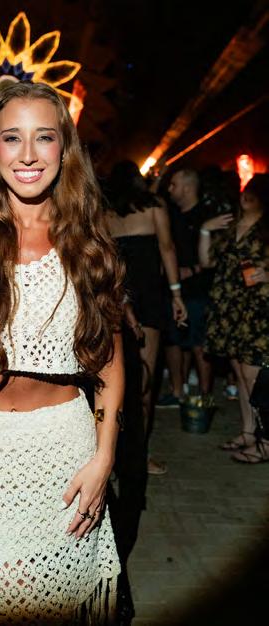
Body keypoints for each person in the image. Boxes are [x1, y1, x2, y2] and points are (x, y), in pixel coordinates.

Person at [0, 81, 124, 624]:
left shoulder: (85, 237)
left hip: (65, 450)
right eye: (12, 138)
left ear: (64, 148)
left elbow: (109, 362)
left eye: (44, 137)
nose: (28, 154)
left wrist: (103, 458)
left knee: (60, 604)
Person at [104, 161, 187, 476]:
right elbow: (167, 248)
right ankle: (139, 456)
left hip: (113, 299)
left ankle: (112, 454)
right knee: (145, 382)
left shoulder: (103, 212)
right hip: (149, 299)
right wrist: (176, 294)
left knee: (112, 383)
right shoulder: (154, 206)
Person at [199, 173, 269, 463]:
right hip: (229, 308)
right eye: (245, 191)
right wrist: (205, 230)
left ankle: (266, 441)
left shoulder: (266, 230)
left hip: (257, 310)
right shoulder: (230, 226)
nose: (245, 197)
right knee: (240, 374)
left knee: (254, 376)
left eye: (253, 193)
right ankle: (249, 432)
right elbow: (206, 262)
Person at [158, 168, 214, 405]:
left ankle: (205, 397)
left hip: (199, 291)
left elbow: (217, 257)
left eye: (174, 185)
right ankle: (177, 391)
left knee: (199, 344)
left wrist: (191, 270)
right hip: (172, 290)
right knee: (172, 341)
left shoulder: (207, 216)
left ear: (188, 187)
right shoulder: (169, 215)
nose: (170, 189)